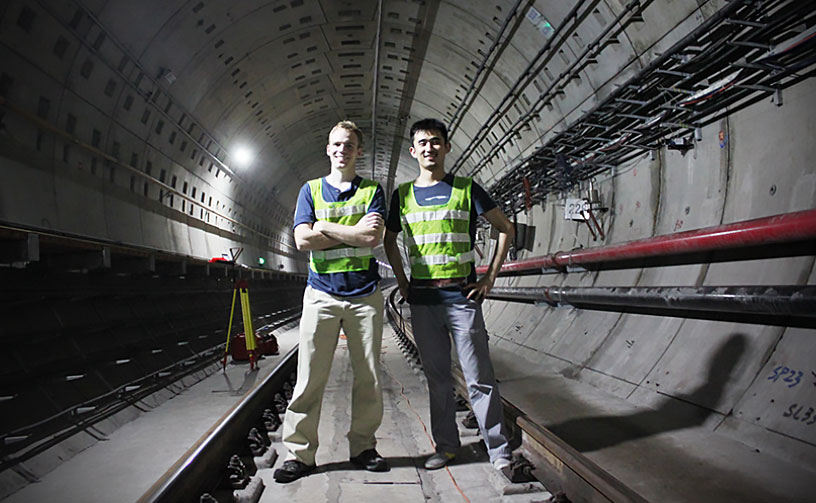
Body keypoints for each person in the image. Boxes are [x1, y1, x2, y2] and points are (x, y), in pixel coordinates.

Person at [383, 118, 515, 473]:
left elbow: (505, 228)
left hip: (462, 300)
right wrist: (403, 281)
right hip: (424, 304)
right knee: (438, 380)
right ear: (413, 151)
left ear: (446, 147)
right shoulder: (402, 196)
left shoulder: (467, 189)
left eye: (436, 142)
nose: (429, 148)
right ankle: (446, 446)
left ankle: (498, 450)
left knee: (479, 378)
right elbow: (389, 240)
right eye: (423, 143)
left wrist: (489, 279)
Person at [274, 120, 388, 483]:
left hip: (364, 295)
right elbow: (302, 242)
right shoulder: (310, 190)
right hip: (321, 293)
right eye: (337, 144)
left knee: (368, 376)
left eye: (349, 145)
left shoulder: (372, 190)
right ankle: (300, 454)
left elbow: (371, 237)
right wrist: (352, 233)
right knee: (309, 377)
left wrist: (327, 227)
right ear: (328, 149)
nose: (343, 150)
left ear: (359, 151)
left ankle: (363, 447)